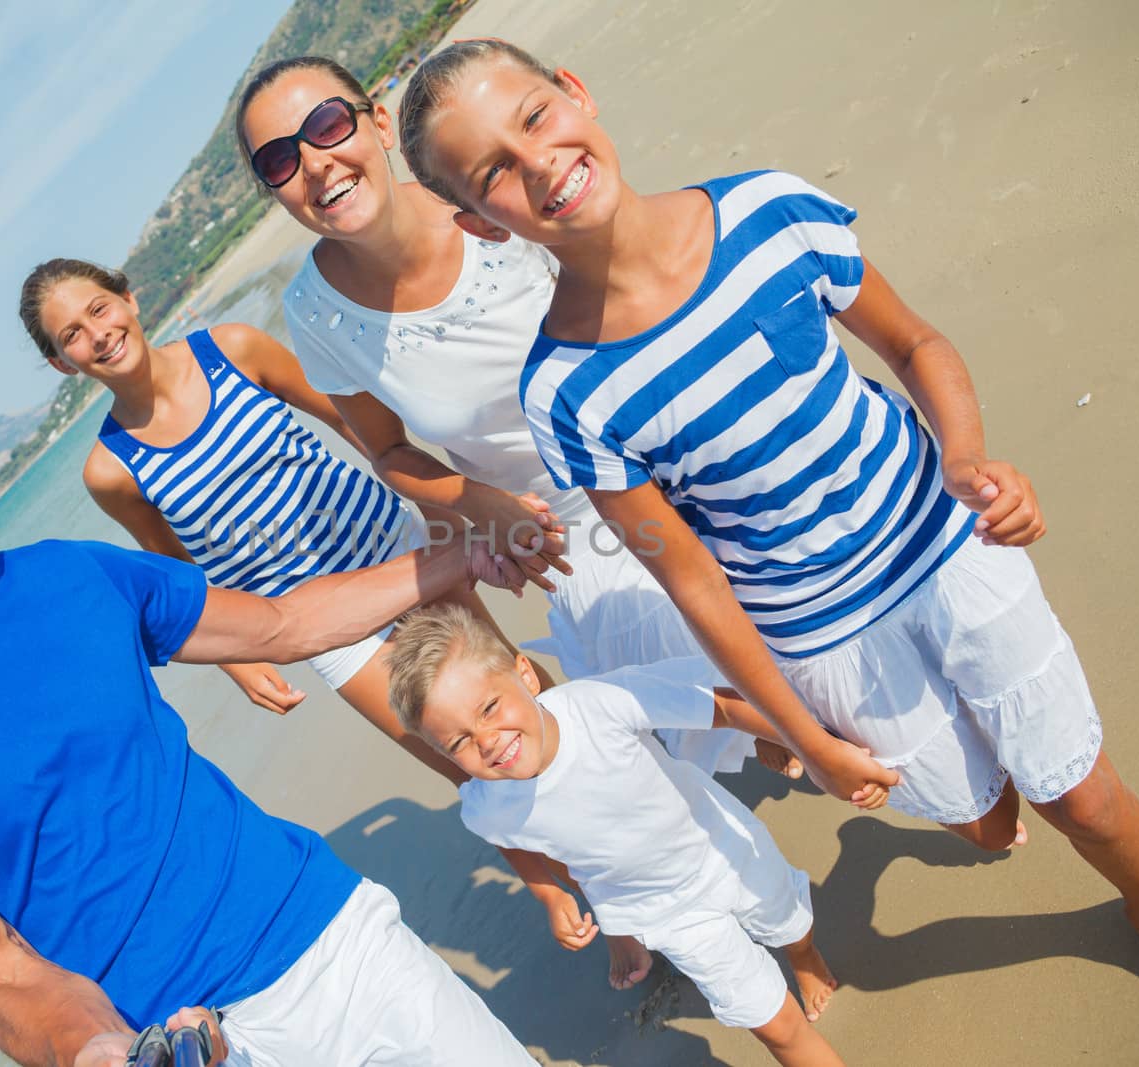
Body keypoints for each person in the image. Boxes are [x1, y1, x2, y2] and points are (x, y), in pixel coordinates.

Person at [394, 38, 1139, 1038]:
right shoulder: (565, 390)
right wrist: (804, 738)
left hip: (945, 544)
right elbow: (695, 580)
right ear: (474, 220)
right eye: (492, 172)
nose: (536, 164)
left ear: (575, 92)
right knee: (985, 817)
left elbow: (915, 343)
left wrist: (969, 459)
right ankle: (986, 783)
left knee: (1081, 799)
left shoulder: (767, 214)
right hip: (821, 631)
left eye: (533, 117)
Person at [0, 323, 540, 1066]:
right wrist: (96, 1047)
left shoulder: (74, 575)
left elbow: (281, 623)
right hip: (173, 1041)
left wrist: (464, 554)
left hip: (331, 936)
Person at [234, 57, 816, 989]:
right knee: (633, 742)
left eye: (329, 126)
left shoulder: (486, 191)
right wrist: (480, 507)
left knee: (801, 669)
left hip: (658, 455)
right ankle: (704, 907)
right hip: (557, 533)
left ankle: (812, 755)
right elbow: (387, 453)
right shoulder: (313, 311)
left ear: (378, 122)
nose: (314, 162)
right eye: (276, 159)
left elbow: (630, 267)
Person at [18, 257, 549, 784]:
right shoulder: (110, 470)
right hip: (321, 626)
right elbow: (175, 570)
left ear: (128, 300)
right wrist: (237, 659)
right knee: (470, 774)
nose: (99, 334)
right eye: (73, 334)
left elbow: (353, 424)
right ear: (65, 362)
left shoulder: (230, 350)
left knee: (526, 705)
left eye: (99, 309)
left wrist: (442, 514)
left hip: (402, 552)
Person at [386, 603, 848, 1067]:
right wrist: (551, 895)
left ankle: (804, 957)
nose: (486, 740)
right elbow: (512, 838)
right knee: (776, 1026)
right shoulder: (487, 804)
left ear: (525, 676)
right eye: (460, 742)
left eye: (489, 708)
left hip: (724, 848)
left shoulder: (598, 706)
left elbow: (721, 704)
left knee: (789, 922)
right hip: (667, 915)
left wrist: (808, 746)